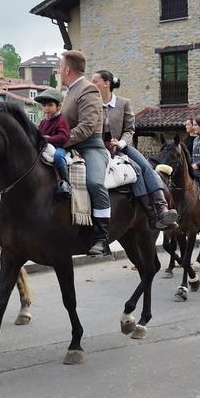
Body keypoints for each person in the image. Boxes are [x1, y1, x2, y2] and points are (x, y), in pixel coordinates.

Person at [92, 70, 178, 230]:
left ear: (106, 83)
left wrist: (122, 143)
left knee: (145, 166)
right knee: (136, 170)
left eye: (94, 81)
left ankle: (162, 209)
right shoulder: (91, 104)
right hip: (98, 149)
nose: (91, 84)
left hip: (121, 148)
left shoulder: (123, 103)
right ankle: (152, 215)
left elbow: (130, 129)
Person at [58, 50, 111, 255]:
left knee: (94, 183)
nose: (58, 71)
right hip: (69, 146)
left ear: (67, 69)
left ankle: (101, 237)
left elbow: (87, 126)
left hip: (91, 146)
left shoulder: (88, 89)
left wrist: (61, 140)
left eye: (59, 66)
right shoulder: (69, 90)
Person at [35, 88, 71, 199]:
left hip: (60, 148)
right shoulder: (44, 121)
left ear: (58, 106)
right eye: (44, 105)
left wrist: (48, 139)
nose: (46, 108)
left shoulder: (61, 120)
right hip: (45, 147)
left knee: (58, 157)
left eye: (50, 105)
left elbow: (64, 137)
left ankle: (65, 183)